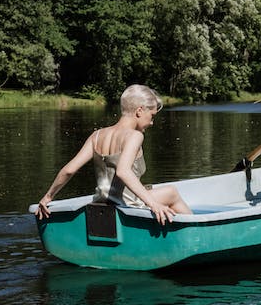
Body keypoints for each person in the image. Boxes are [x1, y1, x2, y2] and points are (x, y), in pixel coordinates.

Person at [36, 84, 191, 225]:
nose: (152, 123)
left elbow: (69, 170)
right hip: (127, 206)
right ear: (139, 111)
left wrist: (48, 197)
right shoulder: (134, 136)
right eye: (152, 116)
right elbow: (123, 171)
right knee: (172, 193)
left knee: (155, 191)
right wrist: (153, 204)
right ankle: (193, 229)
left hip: (101, 203)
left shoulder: (96, 136)